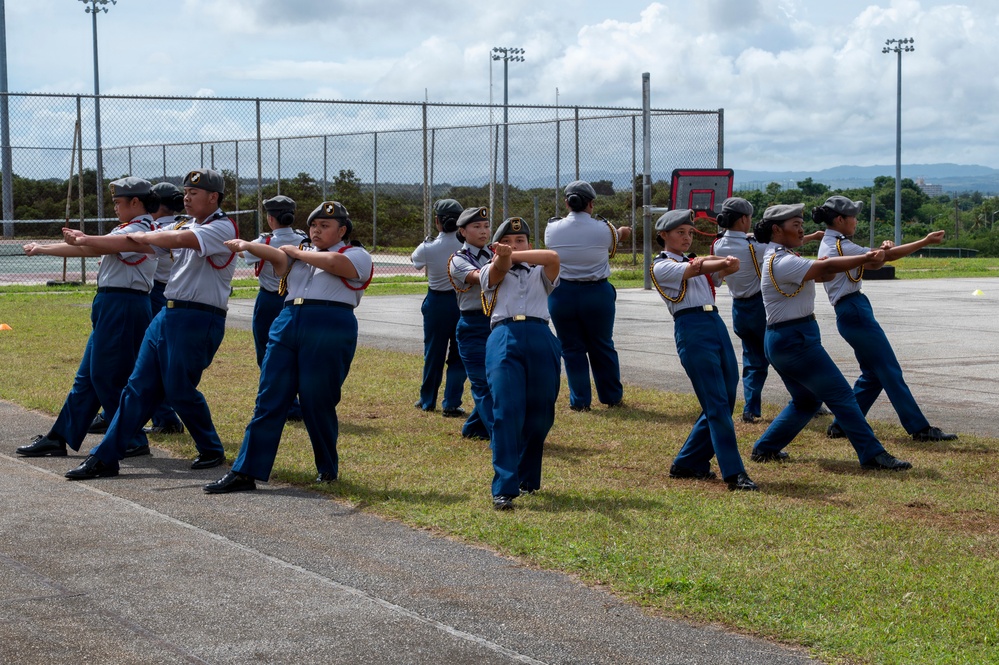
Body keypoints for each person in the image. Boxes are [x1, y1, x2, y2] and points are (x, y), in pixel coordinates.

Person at [60, 168, 239, 479]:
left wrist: (120, 236)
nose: (186, 197)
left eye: (194, 193)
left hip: (199, 316)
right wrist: (92, 240)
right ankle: (106, 456)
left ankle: (210, 448)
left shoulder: (221, 227)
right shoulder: (186, 224)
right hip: (168, 313)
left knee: (179, 389)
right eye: (185, 192)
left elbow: (173, 239)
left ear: (214, 197)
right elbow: (141, 245)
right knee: (136, 387)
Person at [204, 201, 373, 493]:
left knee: (316, 401)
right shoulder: (301, 254)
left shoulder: (356, 254)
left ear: (342, 230)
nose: (316, 230)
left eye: (325, 226)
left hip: (330, 324)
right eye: (313, 226)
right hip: (288, 319)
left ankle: (327, 468)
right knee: (269, 397)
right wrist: (248, 245)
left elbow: (336, 265)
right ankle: (246, 470)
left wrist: (296, 251)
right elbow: (277, 258)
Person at [748, 204, 912, 471]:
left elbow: (827, 272)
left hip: (787, 338)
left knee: (807, 401)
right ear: (776, 230)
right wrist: (866, 256)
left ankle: (766, 448)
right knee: (842, 395)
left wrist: (829, 265)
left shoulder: (781, 257)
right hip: (796, 340)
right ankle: (872, 454)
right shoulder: (782, 260)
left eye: (801, 224)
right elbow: (830, 266)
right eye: (795, 226)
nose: (802, 230)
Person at [16, 177, 157, 460]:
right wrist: (43, 248)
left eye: (119, 202)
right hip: (111, 303)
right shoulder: (124, 230)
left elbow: (93, 246)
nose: (115, 207)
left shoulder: (142, 230)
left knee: (108, 375)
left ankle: (131, 437)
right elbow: (87, 247)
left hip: (124, 304)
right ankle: (60, 437)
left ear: (136, 202)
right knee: (88, 377)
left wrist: (83, 239)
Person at [815, 195, 957, 442]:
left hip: (851, 309)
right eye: (853, 217)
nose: (856, 222)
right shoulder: (840, 246)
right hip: (854, 310)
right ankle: (919, 428)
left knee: (873, 374)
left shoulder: (836, 243)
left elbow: (875, 263)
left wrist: (882, 251)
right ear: (840, 219)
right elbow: (884, 259)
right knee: (889, 370)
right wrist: (923, 241)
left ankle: (843, 424)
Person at [650, 209, 758, 491]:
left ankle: (688, 462)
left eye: (690, 233)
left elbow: (719, 273)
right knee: (716, 402)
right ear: (663, 235)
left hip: (714, 322)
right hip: (691, 326)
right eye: (680, 233)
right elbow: (695, 269)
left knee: (726, 396)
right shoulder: (662, 265)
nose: (686, 238)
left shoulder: (693, 259)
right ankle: (734, 473)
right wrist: (720, 261)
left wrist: (728, 265)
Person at [87, 182, 189, 438]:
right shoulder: (177, 226)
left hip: (151, 293)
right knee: (145, 359)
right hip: (159, 292)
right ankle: (146, 416)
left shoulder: (155, 230)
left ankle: (147, 418)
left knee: (139, 361)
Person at [711, 197, 823, 423]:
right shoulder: (753, 245)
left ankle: (751, 408)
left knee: (752, 359)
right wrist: (812, 236)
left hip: (738, 308)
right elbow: (779, 244)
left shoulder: (718, 244)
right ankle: (808, 400)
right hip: (758, 306)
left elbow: (716, 279)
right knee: (784, 358)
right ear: (743, 219)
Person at [479, 217, 561, 510]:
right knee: (507, 410)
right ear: (494, 247)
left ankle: (527, 479)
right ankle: (504, 487)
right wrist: (502, 256)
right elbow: (500, 268)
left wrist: (511, 252)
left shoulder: (540, 268)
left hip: (541, 334)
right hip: (505, 335)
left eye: (521, 241)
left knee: (541, 412)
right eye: (508, 241)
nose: (514, 246)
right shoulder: (490, 269)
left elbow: (552, 257)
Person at [544, 180, 630, 412]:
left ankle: (580, 400)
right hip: (596, 293)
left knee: (571, 348)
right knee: (602, 345)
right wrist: (622, 231)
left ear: (567, 203)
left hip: (562, 293)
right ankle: (611, 396)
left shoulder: (552, 228)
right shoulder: (605, 229)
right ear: (591, 204)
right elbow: (617, 235)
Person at [244, 195, 308, 421]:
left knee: (266, 352)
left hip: (270, 300)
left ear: (270, 219)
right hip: (295, 301)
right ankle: (296, 402)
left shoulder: (263, 242)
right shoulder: (304, 239)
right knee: (294, 353)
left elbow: (246, 255)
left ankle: (280, 402)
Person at [411, 199, 467, 417]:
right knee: (459, 354)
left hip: (437, 302)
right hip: (462, 302)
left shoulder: (428, 247)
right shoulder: (467, 247)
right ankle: (452, 403)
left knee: (433, 352)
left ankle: (427, 400)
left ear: (438, 221)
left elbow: (415, 262)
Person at [446, 206, 494, 441]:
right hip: (473, 324)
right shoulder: (458, 259)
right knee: (482, 382)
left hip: (496, 322)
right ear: (463, 232)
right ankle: (500, 432)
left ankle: (475, 426)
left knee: (497, 381)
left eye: (486, 226)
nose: (483, 231)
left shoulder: (496, 253)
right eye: (476, 227)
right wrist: (506, 263)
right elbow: (481, 278)